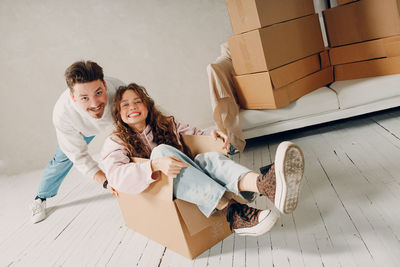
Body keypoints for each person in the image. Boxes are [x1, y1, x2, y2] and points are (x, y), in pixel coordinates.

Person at [101, 83, 305, 236]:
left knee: (206, 159)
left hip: (193, 181)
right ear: (118, 113)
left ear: (147, 105)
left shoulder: (166, 124)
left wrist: (213, 135)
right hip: (161, 192)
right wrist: (155, 165)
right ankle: (231, 209)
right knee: (162, 151)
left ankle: (264, 184)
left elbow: (196, 134)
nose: (133, 107)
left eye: (138, 101)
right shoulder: (115, 141)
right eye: (125, 104)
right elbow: (116, 175)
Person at [30, 60, 122, 223]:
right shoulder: (63, 113)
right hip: (81, 128)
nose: (94, 104)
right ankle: (41, 198)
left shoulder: (119, 91)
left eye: (98, 93)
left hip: (116, 121)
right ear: (73, 97)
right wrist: (105, 181)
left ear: (105, 86)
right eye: (84, 98)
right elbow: (78, 156)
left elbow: (144, 116)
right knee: (61, 159)